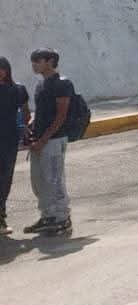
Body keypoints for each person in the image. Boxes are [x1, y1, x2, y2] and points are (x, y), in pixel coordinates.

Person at [22, 48, 73, 236]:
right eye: (33, 61)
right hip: (39, 140)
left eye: (38, 60)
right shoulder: (41, 84)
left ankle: (62, 219)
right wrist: (32, 125)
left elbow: (61, 115)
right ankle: (47, 216)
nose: (34, 64)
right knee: (39, 181)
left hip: (53, 140)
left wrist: (44, 140)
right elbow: (42, 112)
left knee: (54, 180)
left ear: (50, 61)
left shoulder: (62, 83)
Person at [0, 57, 27, 236]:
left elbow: (25, 112)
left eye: (1, 68)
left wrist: (25, 128)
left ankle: (1, 217)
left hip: (9, 141)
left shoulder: (17, 89)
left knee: (5, 180)